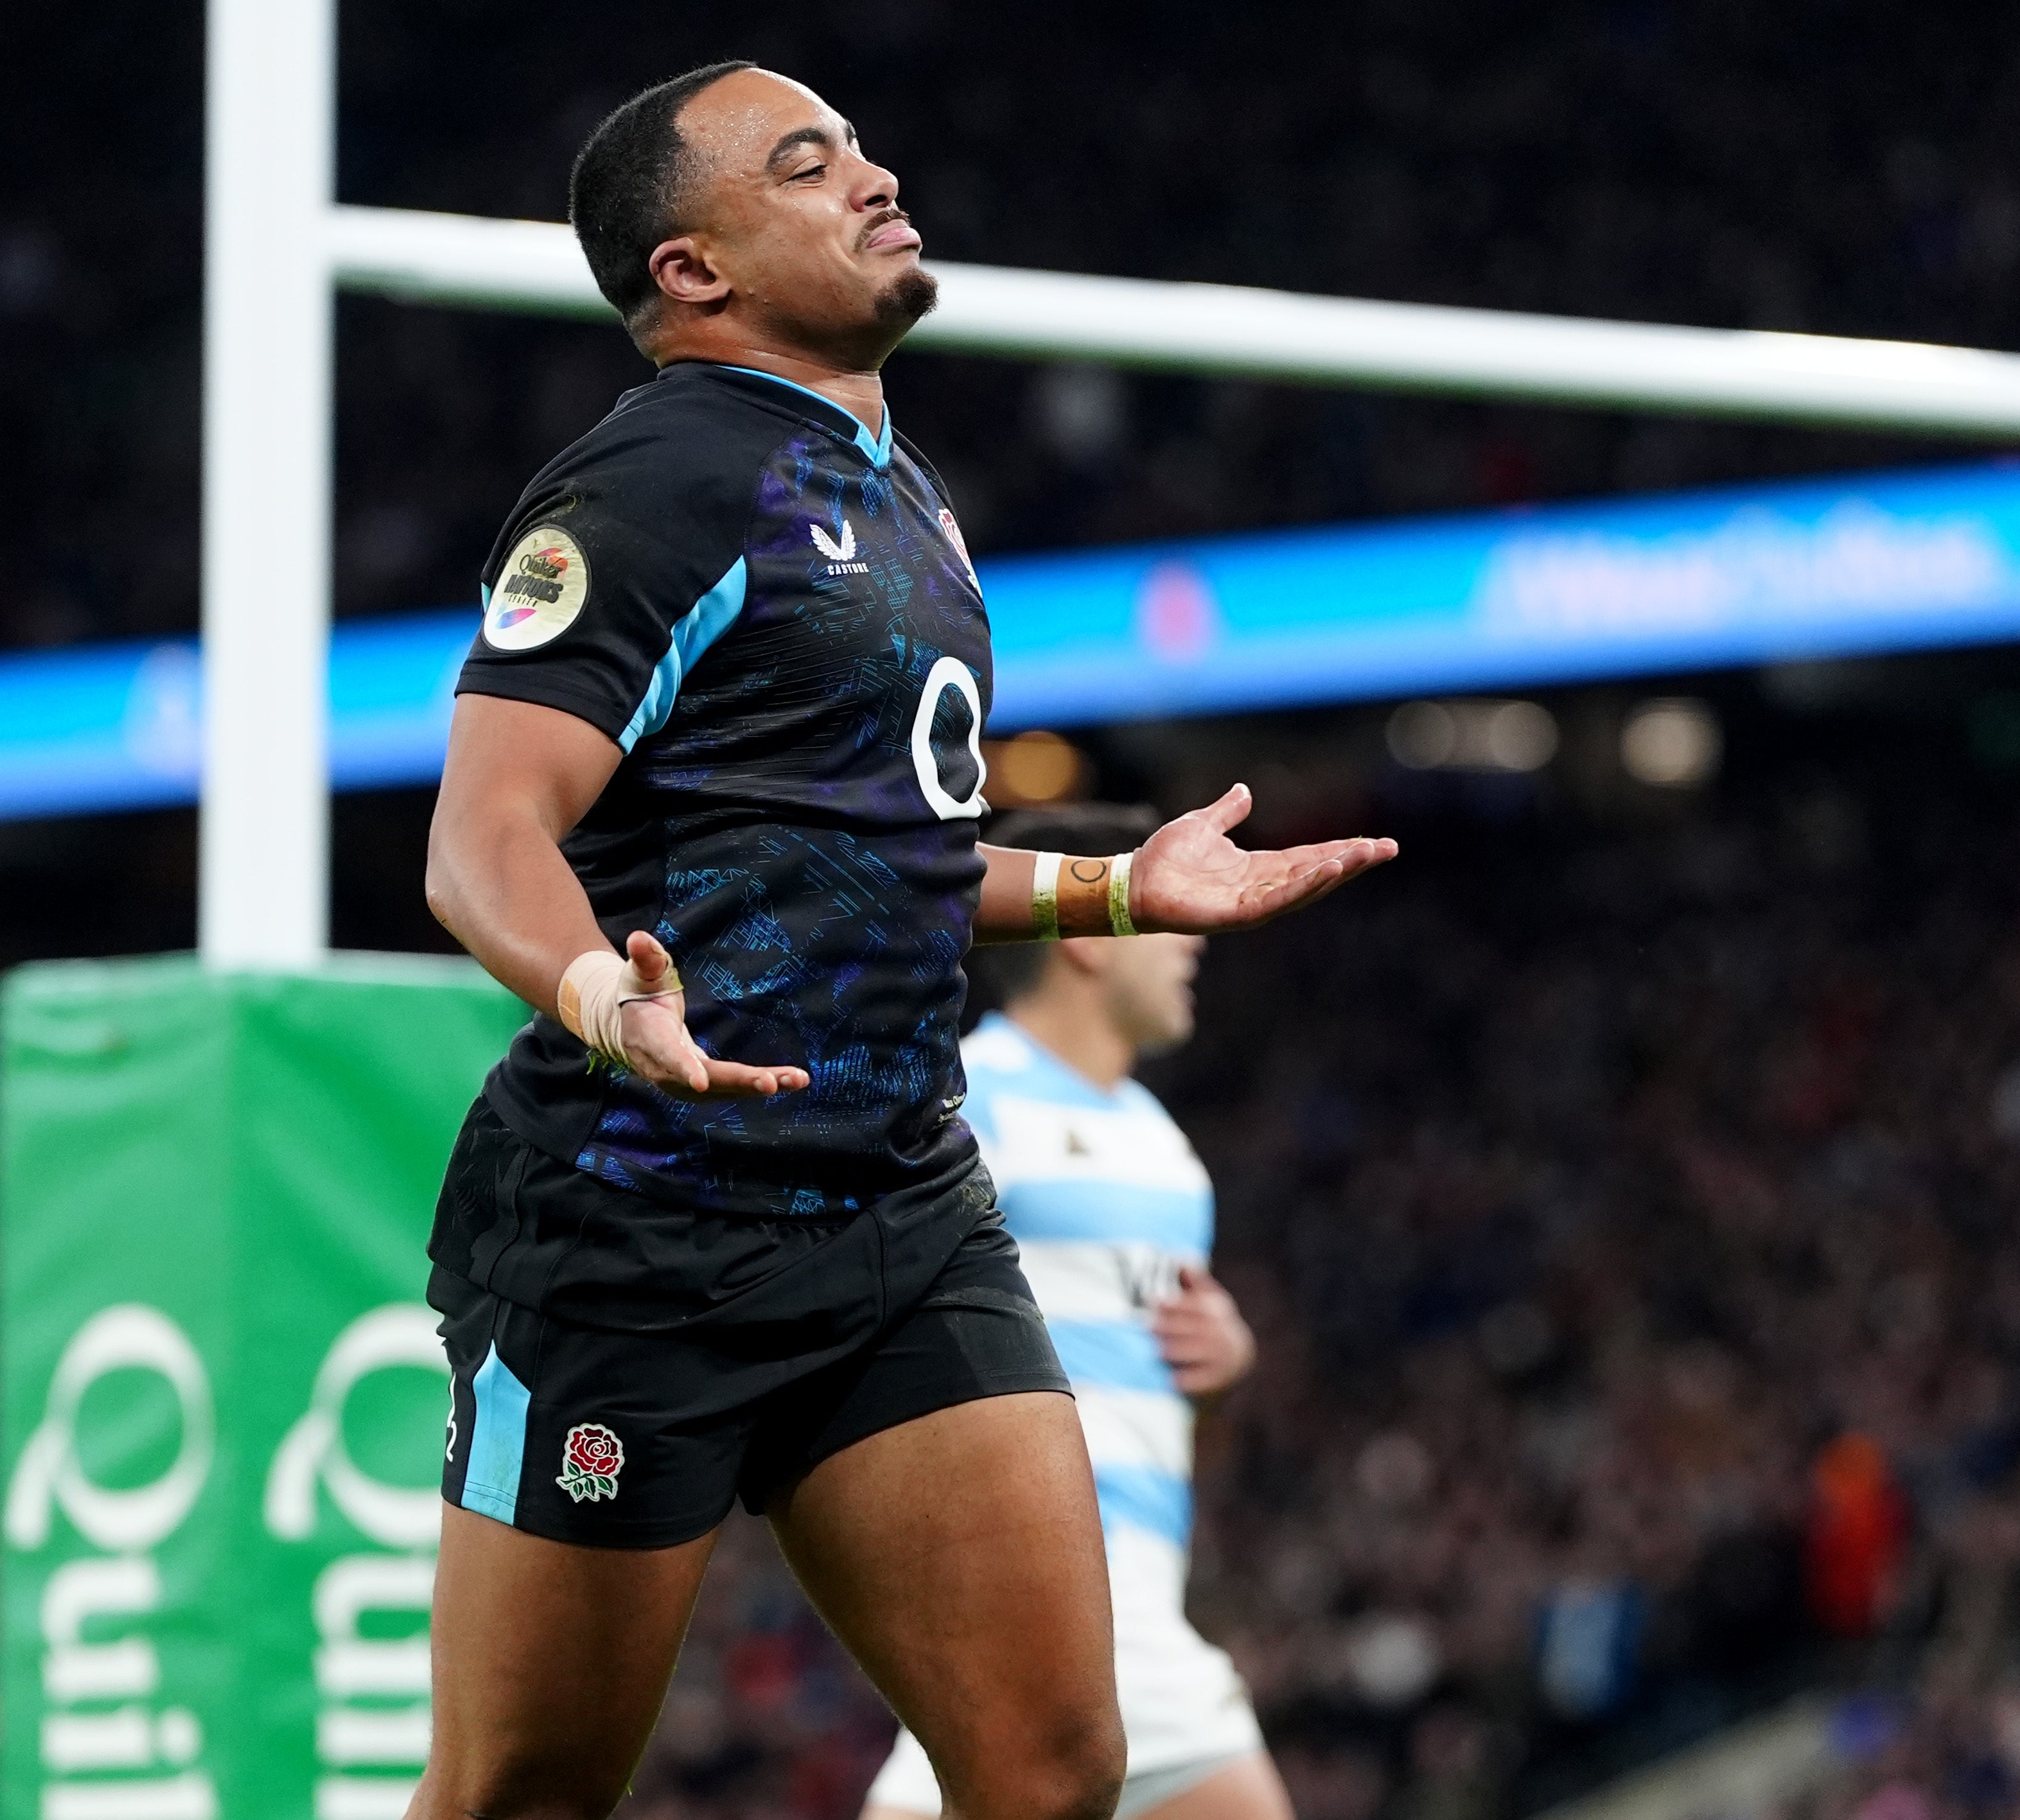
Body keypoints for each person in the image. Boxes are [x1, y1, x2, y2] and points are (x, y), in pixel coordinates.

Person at [414, 60, 1397, 1820]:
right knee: (523, 1791)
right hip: (642, 1223)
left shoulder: (898, 491)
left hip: (893, 1209)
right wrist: (590, 993)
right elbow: (482, 831)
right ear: (692, 269)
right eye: (808, 164)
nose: (873, 176)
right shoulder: (645, 492)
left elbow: (895, 856)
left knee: (1049, 1764)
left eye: (861, 146)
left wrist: (1115, 888)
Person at [862, 803, 1292, 1820]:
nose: (1195, 945)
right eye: (1172, 915)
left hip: (1138, 1610)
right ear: (1096, 948)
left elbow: (1168, 1424)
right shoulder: (966, 1107)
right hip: (1025, 1612)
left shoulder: (1166, 1149)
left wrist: (1225, 1374)